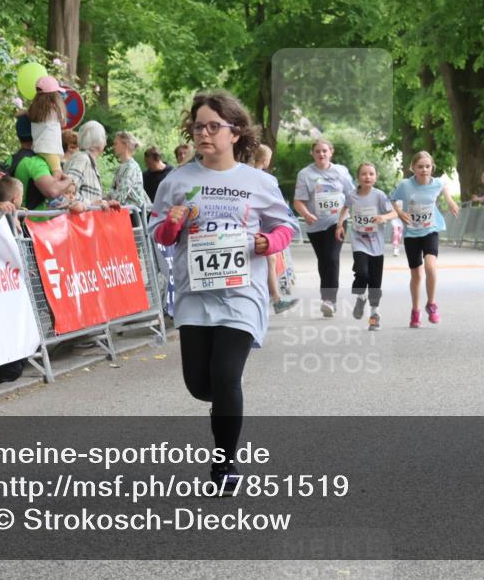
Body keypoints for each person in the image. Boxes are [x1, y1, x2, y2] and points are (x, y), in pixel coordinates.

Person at [147, 90, 297, 490]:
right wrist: (172, 223)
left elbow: (286, 226)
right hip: (194, 294)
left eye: (214, 126)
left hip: (242, 293)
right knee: (201, 385)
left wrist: (269, 242)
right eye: (198, 126)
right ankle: (223, 408)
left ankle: (225, 465)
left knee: (227, 377)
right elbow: (160, 235)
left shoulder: (258, 182)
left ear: (235, 132)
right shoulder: (177, 181)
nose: (204, 133)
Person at [391, 151, 460, 328]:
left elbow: (443, 186)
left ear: (432, 167)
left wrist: (450, 201)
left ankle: (431, 304)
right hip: (412, 234)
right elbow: (392, 199)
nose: (424, 170)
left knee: (430, 266)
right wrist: (400, 212)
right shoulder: (405, 185)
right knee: (416, 274)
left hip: (430, 230)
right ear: (413, 168)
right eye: (420, 167)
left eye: (427, 166)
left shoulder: (436, 183)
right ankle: (415, 311)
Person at [293, 138, 355, 317]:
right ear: (312, 153)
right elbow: (298, 201)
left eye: (324, 151)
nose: (321, 154)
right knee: (323, 260)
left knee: (332, 257)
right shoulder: (305, 174)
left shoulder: (341, 171)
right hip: (315, 225)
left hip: (337, 221)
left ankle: (329, 300)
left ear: (331, 152)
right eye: (318, 151)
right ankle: (327, 298)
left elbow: (351, 195)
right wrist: (306, 214)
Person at [335, 162, 397, 331]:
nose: (367, 177)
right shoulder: (352, 195)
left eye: (371, 174)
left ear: (376, 177)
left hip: (376, 243)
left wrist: (384, 217)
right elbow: (345, 208)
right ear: (358, 177)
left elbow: (394, 212)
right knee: (362, 272)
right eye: (364, 174)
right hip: (359, 241)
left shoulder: (379, 195)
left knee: (375, 282)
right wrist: (339, 225)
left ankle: (374, 314)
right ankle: (361, 296)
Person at [250, 143, 298, 314]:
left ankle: (275, 297)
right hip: (260, 228)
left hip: (254, 227)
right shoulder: (266, 179)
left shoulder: (243, 175)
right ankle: (274, 299)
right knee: (268, 260)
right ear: (265, 160)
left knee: (268, 260)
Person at [28, 76, 67, 177]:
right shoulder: (54, 109)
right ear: (54, 95)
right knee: (57, 174)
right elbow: (64, 123)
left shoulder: (34, 110)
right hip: (51, 149)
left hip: (38, 148)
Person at [64, 120, 107, 204]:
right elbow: (67, 191)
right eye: (104, 137)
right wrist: (91, 204)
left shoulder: (88, 161)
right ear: (98, 140)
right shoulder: (82, 160)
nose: (106, 142)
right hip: (81, 213)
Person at [106, 130, 147, 208]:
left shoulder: (131, 167)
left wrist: (110, 193)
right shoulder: (121, 167)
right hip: (123, 210)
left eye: (116, 144)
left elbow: (120, 197)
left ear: (125, 145)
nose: (113, 147)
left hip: (133, 213)